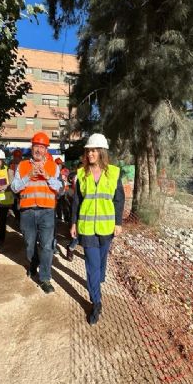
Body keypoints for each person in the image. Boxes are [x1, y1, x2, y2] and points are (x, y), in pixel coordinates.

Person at [70, 133, 124, 325]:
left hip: (106, 227)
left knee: (101, 261)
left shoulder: (113, 173)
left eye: (93, 150)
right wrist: (74, 223)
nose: (90, 153)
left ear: (101, 152)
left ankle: (99, 280)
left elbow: (119, 199)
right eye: (88, 150)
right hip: (87, 228)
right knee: (92, 266)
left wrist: (118, 223)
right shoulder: (81, 174)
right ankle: (96, 302)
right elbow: (77, 200)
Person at [10, 132, 62, 293]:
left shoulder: (53, 167)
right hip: (27, 212)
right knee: (29, 244)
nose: (38, 150)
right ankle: (33, 264)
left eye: (41, 147)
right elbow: (14, 187)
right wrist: (28, 177)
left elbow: (60, 189)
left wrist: (47, 177)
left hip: (46, 212)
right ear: (31, 148)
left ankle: (45, 278)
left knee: (46, 245)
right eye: (35, 146)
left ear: (46, 149)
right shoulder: (23, 166)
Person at [9, 148, 23, 222]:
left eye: (18, 157)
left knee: (20, 207)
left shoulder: (24, 165)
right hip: (13, 188)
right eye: (15, 157)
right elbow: (9, 177)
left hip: (21, 189)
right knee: (15, 207)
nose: (17, 158)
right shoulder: (11, 165)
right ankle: (18, 219)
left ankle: (20, 220)